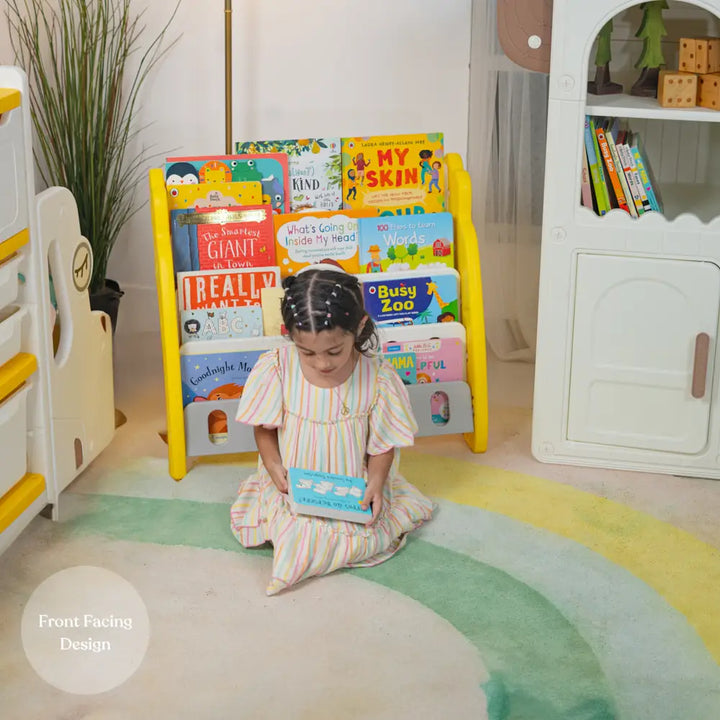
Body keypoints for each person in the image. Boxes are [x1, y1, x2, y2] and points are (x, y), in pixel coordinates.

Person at [231, 265, 433, 595]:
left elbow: (383, 444)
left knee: (366, 530)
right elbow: (264, 428)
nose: (322, 364)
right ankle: (293, 561)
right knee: (295, 533)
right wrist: (273, 466)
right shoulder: (278, 367)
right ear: (290, 335)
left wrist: (377, 483)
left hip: (352, 485)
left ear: (360, 327)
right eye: (307, 352)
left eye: (334, 351)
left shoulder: (377, 379)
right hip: (295, 485)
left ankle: (314, 553)